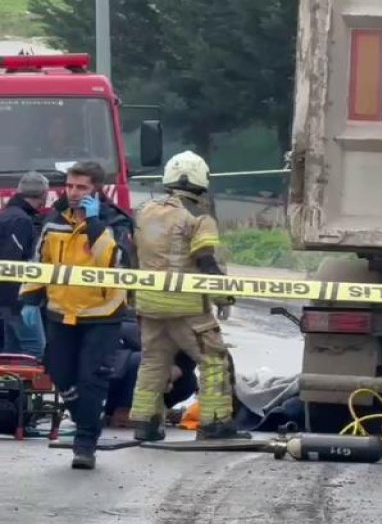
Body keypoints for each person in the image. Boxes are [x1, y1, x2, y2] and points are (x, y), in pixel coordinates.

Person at [18, 161, 135, 470]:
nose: (73, 192)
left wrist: (94, 225)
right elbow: (39, 262)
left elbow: (115, 263)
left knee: (91, 378)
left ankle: (85, 444)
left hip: (101, 315)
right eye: (70, 186)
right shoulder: (54, 220)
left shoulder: (115, 222)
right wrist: (30, 297)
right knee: (58, 371)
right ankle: (84, 415)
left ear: (96, 189)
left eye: (81, 187)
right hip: (60, 312)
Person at [128, 151, 244, 441]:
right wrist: (223, 297)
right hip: (187, 306)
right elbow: (206, 260)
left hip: (150, 304)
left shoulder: (143, 211)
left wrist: (132, 297)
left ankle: (145, 423)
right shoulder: (198, 216)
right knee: (215, 360)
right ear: (201, 180)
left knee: (153, 362)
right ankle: (215, 424)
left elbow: (132, 257)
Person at [0, 171, 49, 357]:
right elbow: (12, 264)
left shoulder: (8, 215)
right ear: (44, 195)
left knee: (11, 355)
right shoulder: (21, 221)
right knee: (33, 351)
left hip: (9, 303)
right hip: (16, 303)